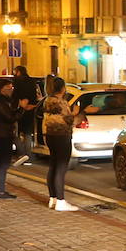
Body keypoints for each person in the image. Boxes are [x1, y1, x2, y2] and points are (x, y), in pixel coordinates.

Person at [41, 78, 79, 211]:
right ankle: (61, 201)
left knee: (53, 166)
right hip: (62, 136)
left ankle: (53, 198)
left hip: (51, 135)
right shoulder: (61, 102)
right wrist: (76, 113)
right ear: (62, 88)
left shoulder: (47, 100)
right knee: (61, 168)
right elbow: (69, 120)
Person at [0, 78, 23, 199]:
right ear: (1, 89)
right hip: (1, 136)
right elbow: (10, 118)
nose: (11, 90)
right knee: (2, 164)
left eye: (12, 87)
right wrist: (22, 108)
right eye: (9, 88)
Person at [11, 65, 39, 166]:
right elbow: (34, 95)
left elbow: (15, 95)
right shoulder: (32, 81)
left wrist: (19, 105)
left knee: (15, 133)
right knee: (28, 133)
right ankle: (28, 155)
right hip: (31, 109)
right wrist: (32, 105)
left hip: (20, 110)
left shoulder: (16, 81)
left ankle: (22, 153)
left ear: (18, 72)